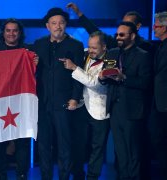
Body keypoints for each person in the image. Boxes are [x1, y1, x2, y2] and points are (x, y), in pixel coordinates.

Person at [32, 7, 84, 180]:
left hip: (64, 103)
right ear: (48, 26)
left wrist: (75, 98)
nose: (58, 26)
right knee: (44, 147)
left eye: (61, 23)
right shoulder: (39, 44)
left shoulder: (75, 45)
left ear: (66, 25)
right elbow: (34, 72)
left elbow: (79, 74)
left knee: (65, 146)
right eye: (54, 23)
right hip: (43, 103)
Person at [98, 21, 152, 180]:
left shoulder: (143, 56)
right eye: (117, 34)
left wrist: (124, 78)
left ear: (133, 36)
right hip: (115, 109)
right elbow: (106, 77)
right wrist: (102, 78)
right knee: (120, 152)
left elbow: (146, 83)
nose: (118, 37)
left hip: (132, 110)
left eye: (122, 35)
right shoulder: (113, 53)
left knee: (133, 152)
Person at [0, 18, 38, 180]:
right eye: (8, 30)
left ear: (20, 33)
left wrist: (35, 64)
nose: (11, 33)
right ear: (3, 33)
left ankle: (22, 174)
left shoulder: (28, 51)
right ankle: (0, 174)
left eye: (14, 30)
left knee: (22, 140)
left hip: (21, 102)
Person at [62, 31, 110, 180]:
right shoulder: (84, 54)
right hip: (82, 108)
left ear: (104, 47)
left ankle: (92, 176)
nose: (91, 50)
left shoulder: (110, 61)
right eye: (89, 47)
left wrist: (74, 68)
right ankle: (77, 174)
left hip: (100, 111)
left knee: (97, 148)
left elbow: (96, 83)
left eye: (94, 48)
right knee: (78, 144)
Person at [66, 2, 153, 54]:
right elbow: (96, 32)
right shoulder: (116, 42)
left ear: (138, 26)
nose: (124, 27)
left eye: (128, 24)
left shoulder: (145, 47)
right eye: (123, 23)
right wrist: (79, 13)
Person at [150, 11, 167, 180]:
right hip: (158, 103)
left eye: (156, 26)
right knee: (158, 140)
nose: (154, 28)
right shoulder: (159, 46)